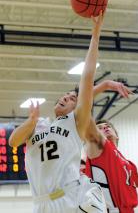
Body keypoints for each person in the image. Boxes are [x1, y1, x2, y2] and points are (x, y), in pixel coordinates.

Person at [9, 12, 107, 213]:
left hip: (69, 198)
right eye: (65, 95)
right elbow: (13, 142)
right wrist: (30, 122)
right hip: (41, 204)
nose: (65, 97)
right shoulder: (39, 124)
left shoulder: (75, 122)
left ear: (78, 106)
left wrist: (95, 35)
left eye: (72, 98)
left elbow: (87, 78)